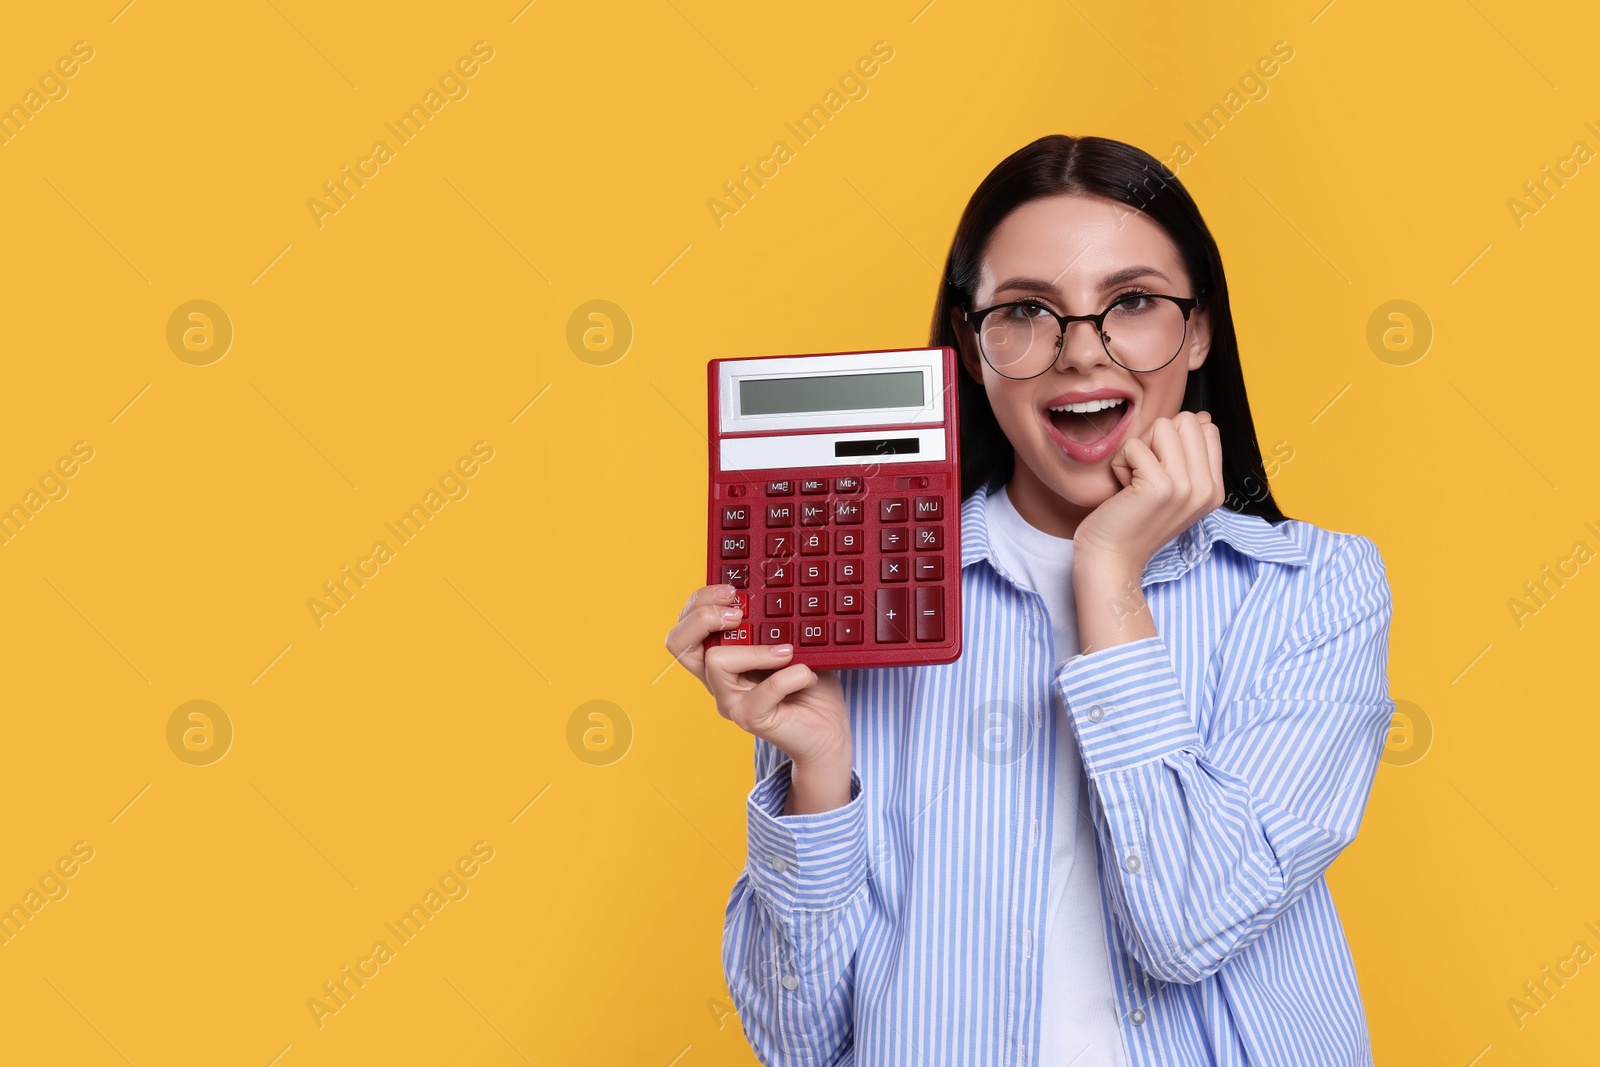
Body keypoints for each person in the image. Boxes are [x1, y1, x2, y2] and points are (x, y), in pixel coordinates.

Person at [663, 133, 1396, 1067]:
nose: (1081, 353)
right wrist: (817, 776)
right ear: (972, 349)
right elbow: (799, 1040)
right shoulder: (869, 602)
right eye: (1026, 312)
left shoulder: (1314, 589)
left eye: (1131, 303)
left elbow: (1188, 919)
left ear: (1199, 329)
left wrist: (1109, 577)